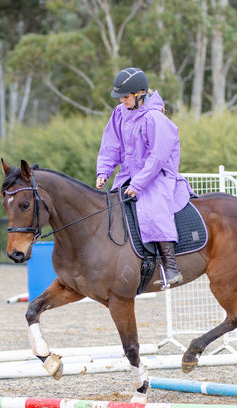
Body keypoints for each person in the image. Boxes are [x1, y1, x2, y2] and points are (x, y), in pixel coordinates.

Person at [96, 67, 192, 287]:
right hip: (129, 175)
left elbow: (157, 158)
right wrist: (104, 171)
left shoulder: (156, 119)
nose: (122, 101)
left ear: (140, 94)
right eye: (120, 97)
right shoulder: (119, 113)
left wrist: (139, 184)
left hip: (156, 176)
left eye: (126, 96)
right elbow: (111, 144)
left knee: (152, 208)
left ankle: (170, 267)